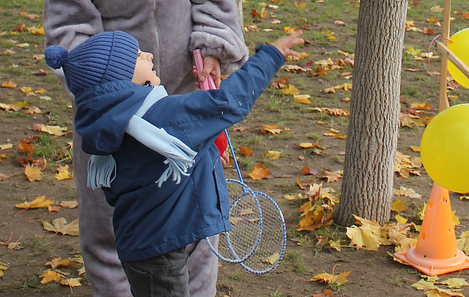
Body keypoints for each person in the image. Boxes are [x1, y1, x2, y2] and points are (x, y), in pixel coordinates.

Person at [42, 0, 249, 294]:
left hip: (184, 112)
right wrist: (124, 99)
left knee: (198, 228)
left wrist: (213, 44)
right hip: (117, 129)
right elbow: (70, 38)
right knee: (113, 235)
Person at [43, 30, 303, 297]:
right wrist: (271, 55)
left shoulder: (115, 123)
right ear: (119, 79)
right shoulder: (161, 117)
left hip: (141, 247)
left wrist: (206, 152)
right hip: (159, 257)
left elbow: (156, 166)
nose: (148, 54)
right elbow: (230, 101)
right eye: (137, 55)